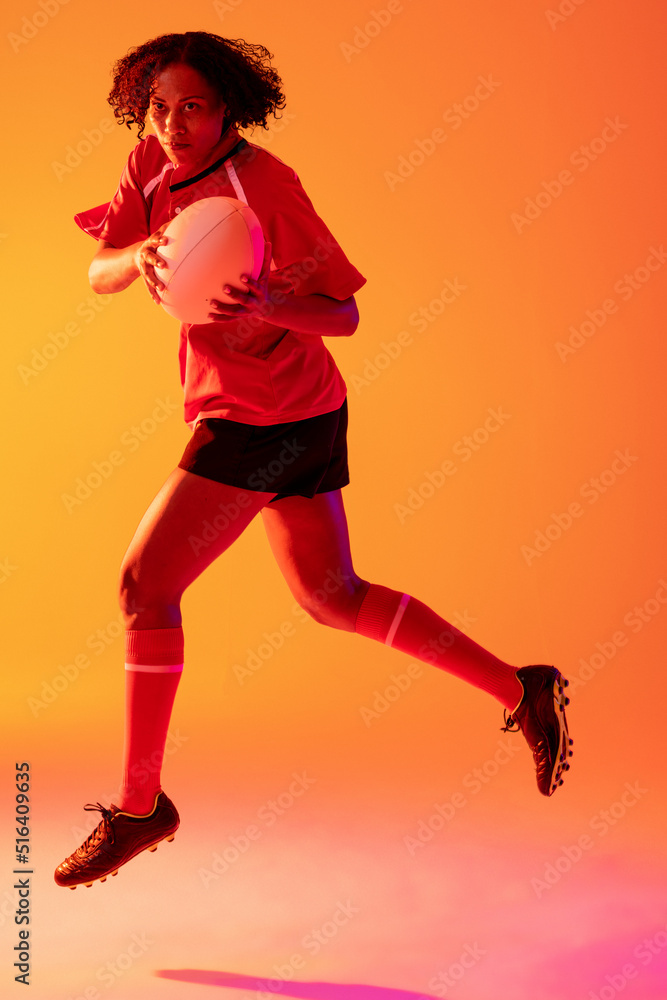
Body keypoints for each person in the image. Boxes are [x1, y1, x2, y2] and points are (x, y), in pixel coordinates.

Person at [54, 31, 573, 890]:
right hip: (297, 410)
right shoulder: (148, 164)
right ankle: (522, 687)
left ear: (227, 108)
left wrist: (274, 305)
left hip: (265, 417)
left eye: (192, 107)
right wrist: (136, 256)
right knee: (332, 597)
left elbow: (345, 316)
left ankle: (141, 805)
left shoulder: (265, 187)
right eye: (159, 108)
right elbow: (96, 270)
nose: (174, 124)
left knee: (144, 587)